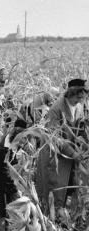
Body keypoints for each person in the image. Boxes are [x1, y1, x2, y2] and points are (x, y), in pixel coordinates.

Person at [36, 79, 88, 213]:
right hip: (54, 156)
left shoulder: (79, 106)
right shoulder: (56, 109)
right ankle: (52, 220)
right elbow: (55, 138)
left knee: (70, 187)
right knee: (55, 190)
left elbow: (80, 129)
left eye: (82, 98)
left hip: (68, 155)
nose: (79, 100)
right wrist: (73, 153)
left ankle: (64, 217)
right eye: (77, 97)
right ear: (70, 94)